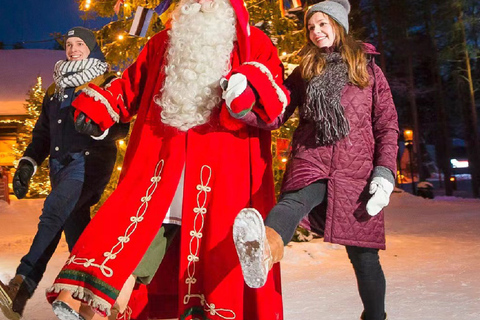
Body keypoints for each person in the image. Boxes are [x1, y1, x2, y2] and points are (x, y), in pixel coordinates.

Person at [46, 0, 289, 319]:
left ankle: (207, 308)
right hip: (161, 159)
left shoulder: (253, 43)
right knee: (132, 228)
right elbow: (130, 85)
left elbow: (275, 104)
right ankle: (86, 303)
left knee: (213, 246)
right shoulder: (161, 43)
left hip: (222, 168)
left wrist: (249, 89)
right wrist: (101, 108)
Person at [232, 1, 399, 320]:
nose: (316, 31)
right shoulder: (305, 70)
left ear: (339, 25)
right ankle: (262, 251)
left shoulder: (367, 67)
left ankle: (375, 316)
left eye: (322, 24)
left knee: (364, 257)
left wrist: (384, 173)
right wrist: (244, 109)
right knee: (293, 201)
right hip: (312, 156)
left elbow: (387, 123)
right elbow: (277, 112)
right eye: (311, 26)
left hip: (357, 170)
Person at [0, 27, 129, 320]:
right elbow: (43, 134)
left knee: (54, 211)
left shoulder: (107, 81)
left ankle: (20, 283)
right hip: (60, 166)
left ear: (92, 48)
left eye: (79, 43)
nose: (72, 49)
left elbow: (122, 125)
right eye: (69, 44)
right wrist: (27, 163)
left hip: (90, 162)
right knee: (77, 233)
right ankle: (101, 300)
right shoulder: (55, 88)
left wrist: (98, 130)